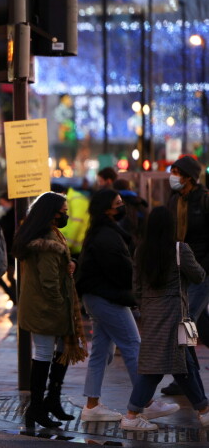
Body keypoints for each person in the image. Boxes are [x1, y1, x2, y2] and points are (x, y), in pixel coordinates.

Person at [75, 189, 175, 422]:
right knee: (133, 345)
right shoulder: (106, 236)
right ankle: (145, 402)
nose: (123, 207)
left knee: (101, 351)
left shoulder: (103, 232)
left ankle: (92, 405)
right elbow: (121, 271)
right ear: (107, 209)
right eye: (118, 203)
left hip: (99, 296)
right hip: (108, 298)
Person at [120, 207, 206, 431]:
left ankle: (204, 410)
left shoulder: (141, 251)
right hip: (179, 316)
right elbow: (198, 275)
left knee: (187, 363)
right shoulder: (180, 249)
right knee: (158, 367)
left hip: (152, 314)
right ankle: (131, 415)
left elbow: (136, 288)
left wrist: (148, 306)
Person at [12, 192, 87, 428]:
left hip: (46, 306)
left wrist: (69, 264)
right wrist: (58, 307)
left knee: (60, 350)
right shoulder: (46, 242)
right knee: (43, 354)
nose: (66, 214)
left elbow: (58, 267)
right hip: (45, 307)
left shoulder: (51, 234)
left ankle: (51, 400)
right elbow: (49, 282)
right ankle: (36, 408)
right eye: (63, 211)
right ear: (50, 213)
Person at [163, 155, 209, 395]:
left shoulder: (204, 199)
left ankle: (186, 376)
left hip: (201, 272)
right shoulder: (174, 201)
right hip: (180, 271)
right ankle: (185, 374)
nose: (173, 176)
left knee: (185, 321)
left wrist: (203, 267)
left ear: (189, 177)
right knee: (199, 323)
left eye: (177, 172)